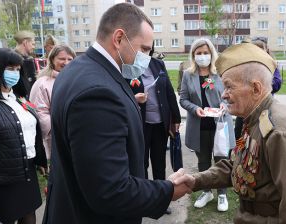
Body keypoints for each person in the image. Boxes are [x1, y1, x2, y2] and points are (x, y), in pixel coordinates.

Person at [42, 3, 190, 224]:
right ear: (119, 38)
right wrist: (166, 190)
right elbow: (111, 190)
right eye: (144, 49)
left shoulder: (77, 69)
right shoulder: (98, 93)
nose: (147, 58)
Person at [175, 43, 286, 223]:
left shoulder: (277, 133)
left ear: (256, 88)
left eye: (229, 87)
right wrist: (196, 180)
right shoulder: (254, 119)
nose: (224, 95)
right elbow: (237, 164)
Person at [0, 48, 47, 224]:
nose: (15, 73)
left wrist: (40, 159)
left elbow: (32, 130)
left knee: (29, 216)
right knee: (2, 219)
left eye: (18, 69)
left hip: (27, 172)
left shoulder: (19, 98)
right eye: (10, 68)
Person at [179, 38, 235, 212]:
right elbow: (183, 99)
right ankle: (206, 191)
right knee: (203, 161)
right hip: (199, 126)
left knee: (221, 160)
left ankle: (222, 194)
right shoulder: (189, 74)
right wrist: (195, 109)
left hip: (220, 125)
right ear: (193, 55)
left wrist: (225, 106)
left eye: (205, 53)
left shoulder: (221, 72)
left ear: (211, 53)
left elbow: (230, 94)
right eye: (199, 53)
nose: (202, 56)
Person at [126, 44, 181, 214]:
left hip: (160, 123)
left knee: (159, 162)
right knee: (140, 163)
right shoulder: (127, 68)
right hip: (140, 124)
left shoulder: (158, 64)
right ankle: (142, 200)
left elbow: (169, 91)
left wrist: (176, 118)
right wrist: (134, 99)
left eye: (147, 49)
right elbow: (120, 94)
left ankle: (160, 200)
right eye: (141, 49)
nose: (144, 53)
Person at [29, 44, 76, 160]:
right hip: (55, 139)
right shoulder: (42, 83)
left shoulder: (76, 80)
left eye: (70, 59)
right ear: (52, 60)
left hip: (75, 137)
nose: (66, 62)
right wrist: (60, 130)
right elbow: (40, 113)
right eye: (62, 59)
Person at [234, 36, 283, 139]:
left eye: (261, 49)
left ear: (266, 50)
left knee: (261, 133)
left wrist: (261, 84)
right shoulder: (245, 64)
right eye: (255, 49)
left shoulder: (271, 65)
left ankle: (259, 152)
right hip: (245, 107)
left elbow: (277, 84)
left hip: (263, 107)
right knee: (239, 131)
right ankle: (238, 151)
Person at [13, 31, 37, 99]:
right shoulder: (12, 60)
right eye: (32, 44)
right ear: (25, 43)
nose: (34, 47)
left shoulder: (28, 59)